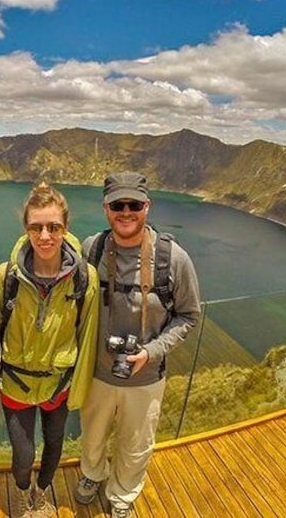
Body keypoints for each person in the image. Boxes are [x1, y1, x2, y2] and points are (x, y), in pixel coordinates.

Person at [74, 172, 201, 518]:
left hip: (145, 376)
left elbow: (188, 316)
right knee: (93, 434)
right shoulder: (91, 249)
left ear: (147, 206)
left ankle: (122, 497)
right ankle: (92, 475)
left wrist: (152, 351)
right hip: (98, 372)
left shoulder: (173, 259)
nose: (126, 212)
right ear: (106, 208)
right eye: (118, 205)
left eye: (134, 204)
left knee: (136, 445)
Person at [0, 182, 99, 518]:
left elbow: (88, 336)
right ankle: (23, 493)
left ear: (66, 228)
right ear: (26, 229)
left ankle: (41, 491)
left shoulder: (84, 278)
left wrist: (78, 390)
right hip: (15, 383)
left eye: (54, 227)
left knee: (54, 445)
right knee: (23, 454)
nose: (45, 236)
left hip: (58, 384)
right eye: (36, 227)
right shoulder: (5, 277)